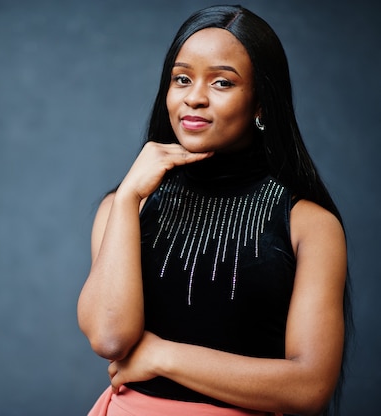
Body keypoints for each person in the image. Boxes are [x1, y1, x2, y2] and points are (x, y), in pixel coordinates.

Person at [77, 5, 351, 416]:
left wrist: (162, 356)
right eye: (181, 79)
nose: (194, 97)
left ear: (260, 103)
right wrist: (131, 194)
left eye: (222, 82)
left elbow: (310, 387)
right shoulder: (124, 206)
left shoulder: (309, 224)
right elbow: (110, 339)